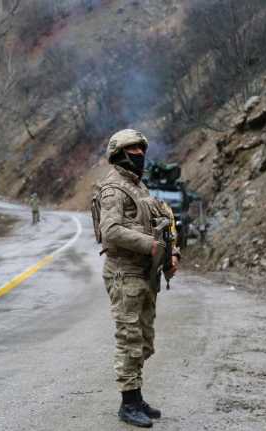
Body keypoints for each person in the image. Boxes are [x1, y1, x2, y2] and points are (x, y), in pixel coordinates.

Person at [93, 129, 180, 428]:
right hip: (124, 273)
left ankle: (136, 396)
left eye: (141, 150)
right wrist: (149, 245)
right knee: (129, 337)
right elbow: (111, 230)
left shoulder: (139, 187)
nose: (140, 155)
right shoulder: (114, 189)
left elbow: (164, 222)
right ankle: (128, 403)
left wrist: (172, 254)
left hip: (145, 274)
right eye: (133, 150)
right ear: (118, 154)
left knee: (144, 341)